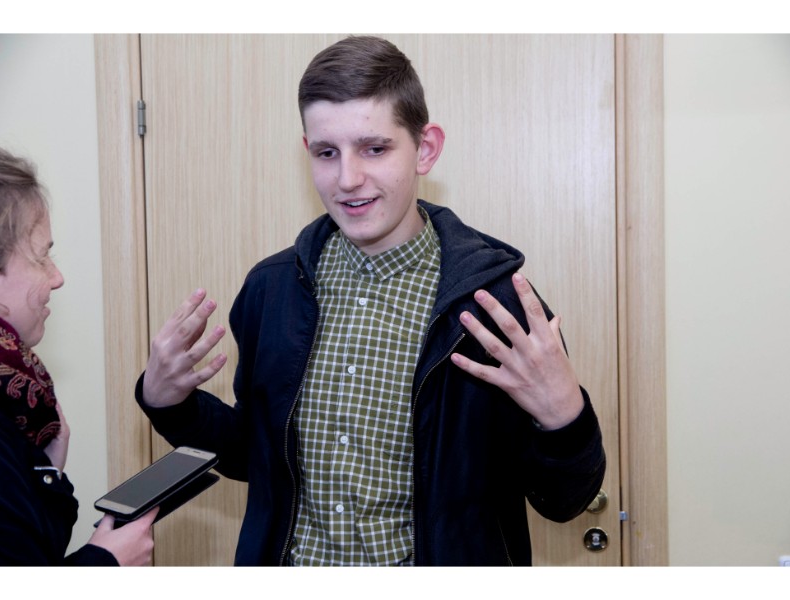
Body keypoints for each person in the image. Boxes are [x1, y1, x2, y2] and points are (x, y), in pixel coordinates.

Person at [137, 35, 606, 566]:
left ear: (425, 149)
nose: (348, 179)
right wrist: (170, 403)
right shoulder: (272, 290)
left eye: (375, 149)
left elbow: (564, 500)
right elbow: (253, 456)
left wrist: (566, 416)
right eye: (327, 153)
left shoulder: (495, 306)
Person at [0, 146, 157, 566]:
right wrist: (106, 564)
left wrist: (47, 470)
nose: (57, 277)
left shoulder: (18, 404)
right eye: (40, 256)